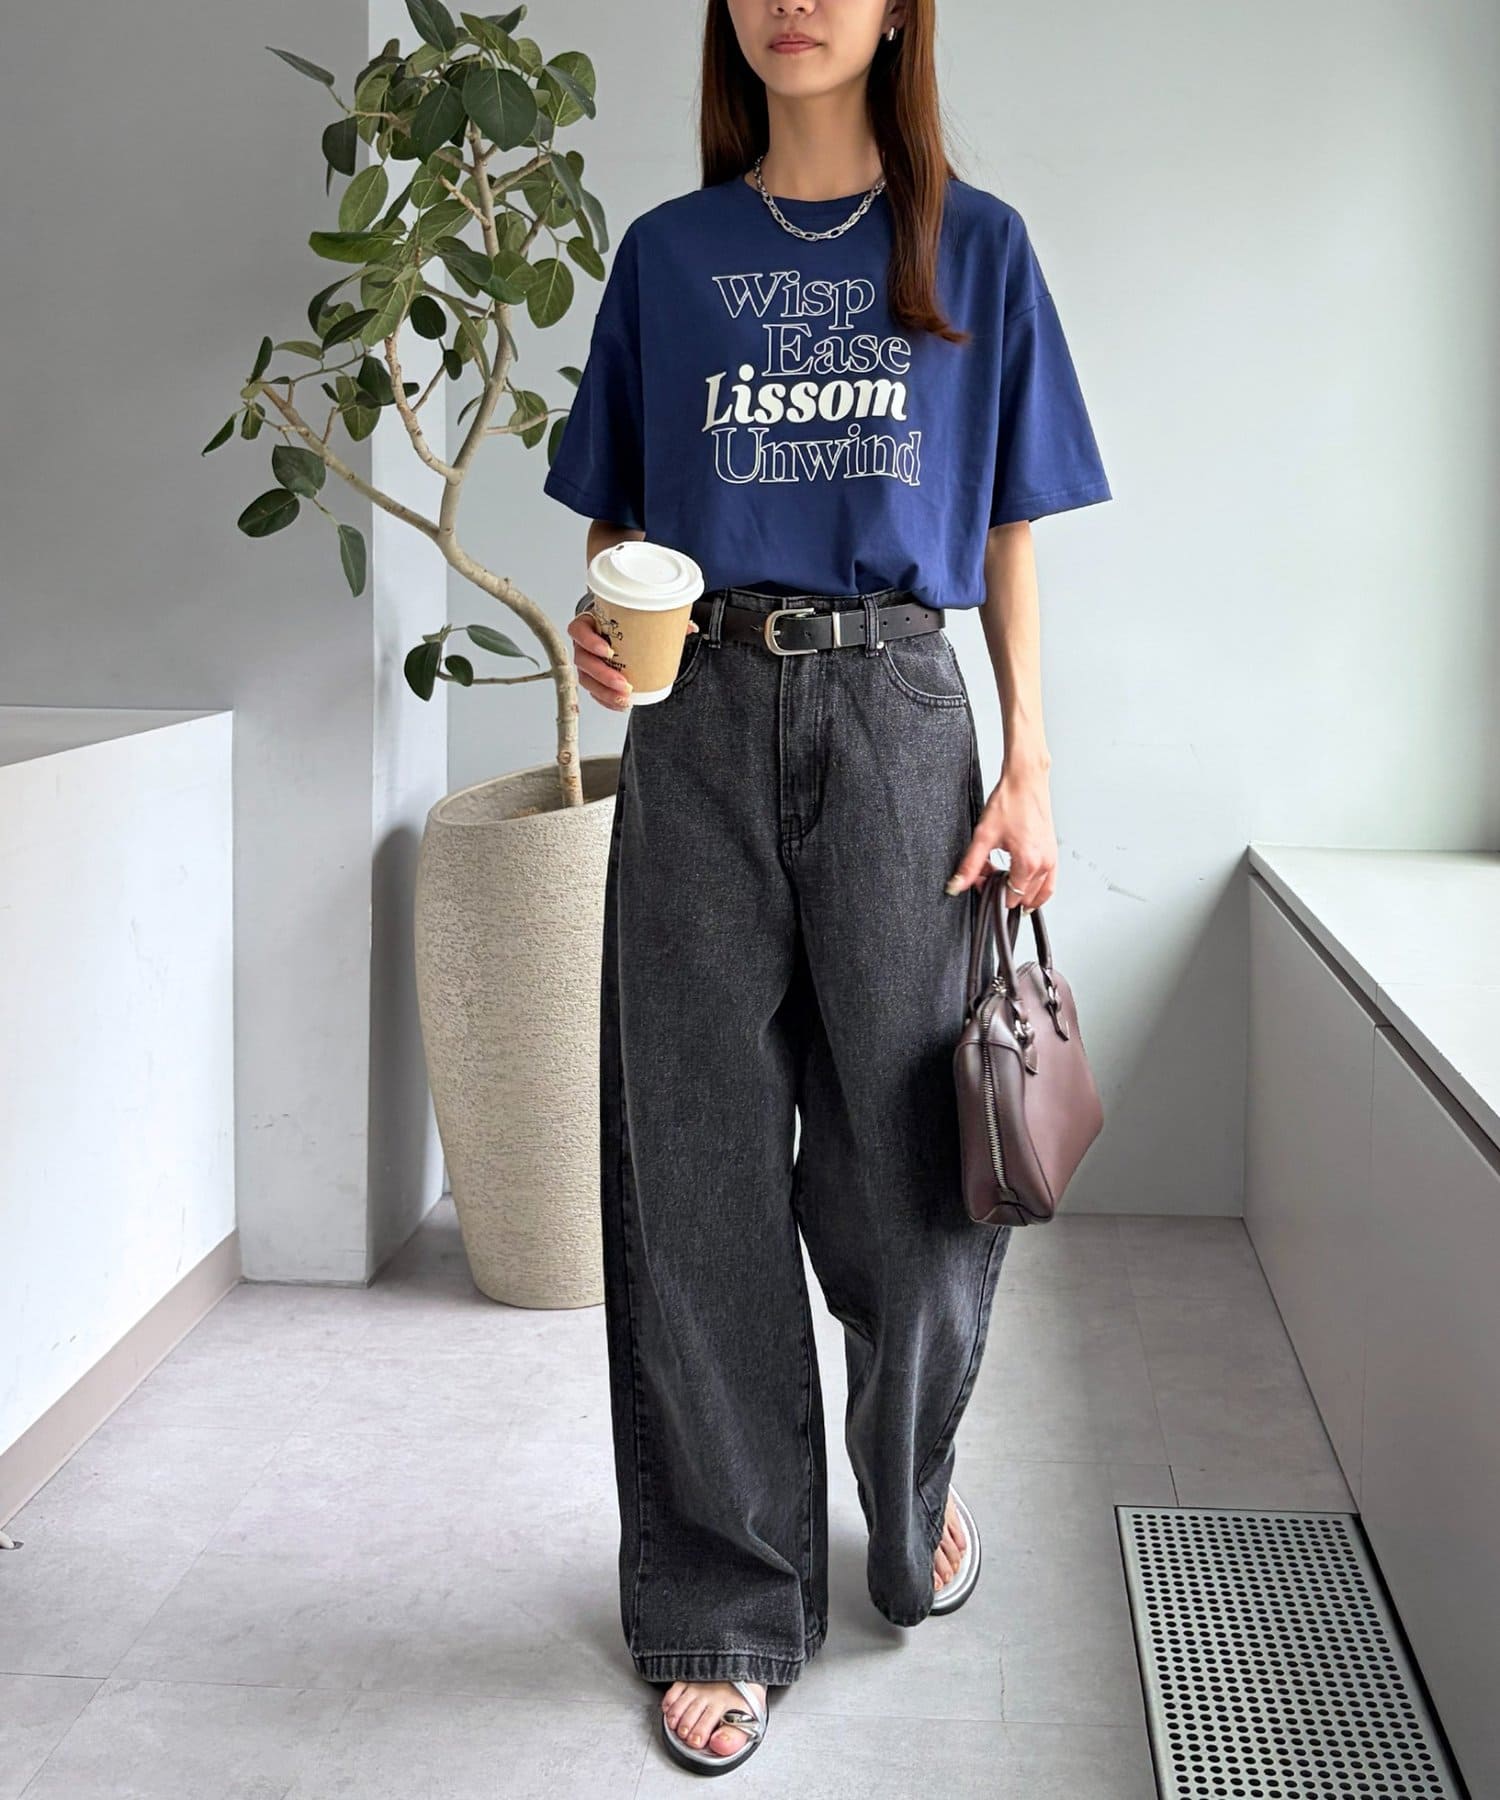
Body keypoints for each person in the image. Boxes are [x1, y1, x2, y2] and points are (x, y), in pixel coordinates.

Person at [542, 0, 1111, 1774]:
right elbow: (618, 525)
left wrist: (1029, 760)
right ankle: (725, 1601)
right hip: (701, 718)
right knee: (697, 1170)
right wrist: (604, 634)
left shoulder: (976, 246)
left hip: (898, 720)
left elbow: (1009, 524)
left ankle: (906, 1480)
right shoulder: (670, 255)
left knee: (919, 1174)